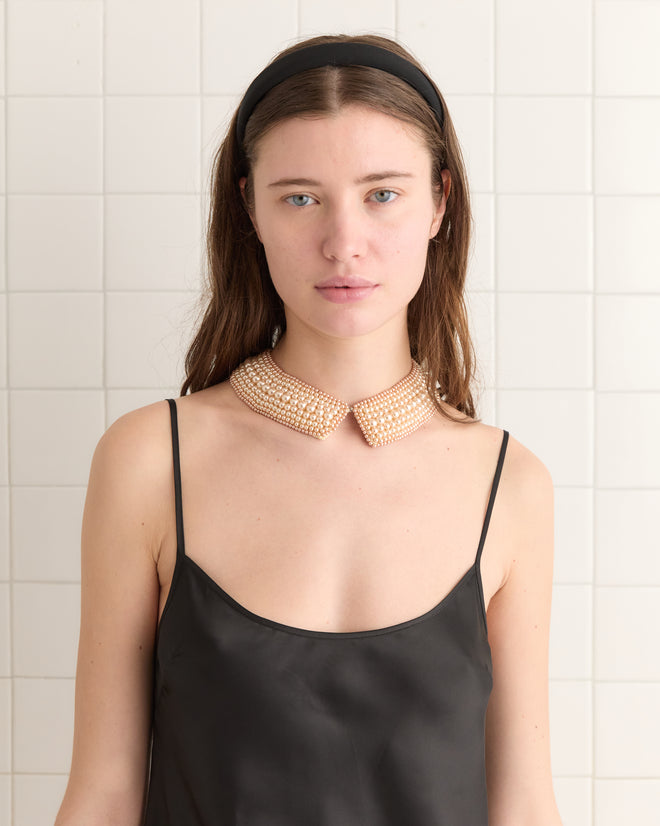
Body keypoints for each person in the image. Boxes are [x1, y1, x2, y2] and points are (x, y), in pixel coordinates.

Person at [54, 33, 562, 826]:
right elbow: (102, 797)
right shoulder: (150, 460)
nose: (343, 243)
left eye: (382, 194)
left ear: (440, 203)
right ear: (249, 208)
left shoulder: (512, 484)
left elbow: (524, 806)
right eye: (300, 198)